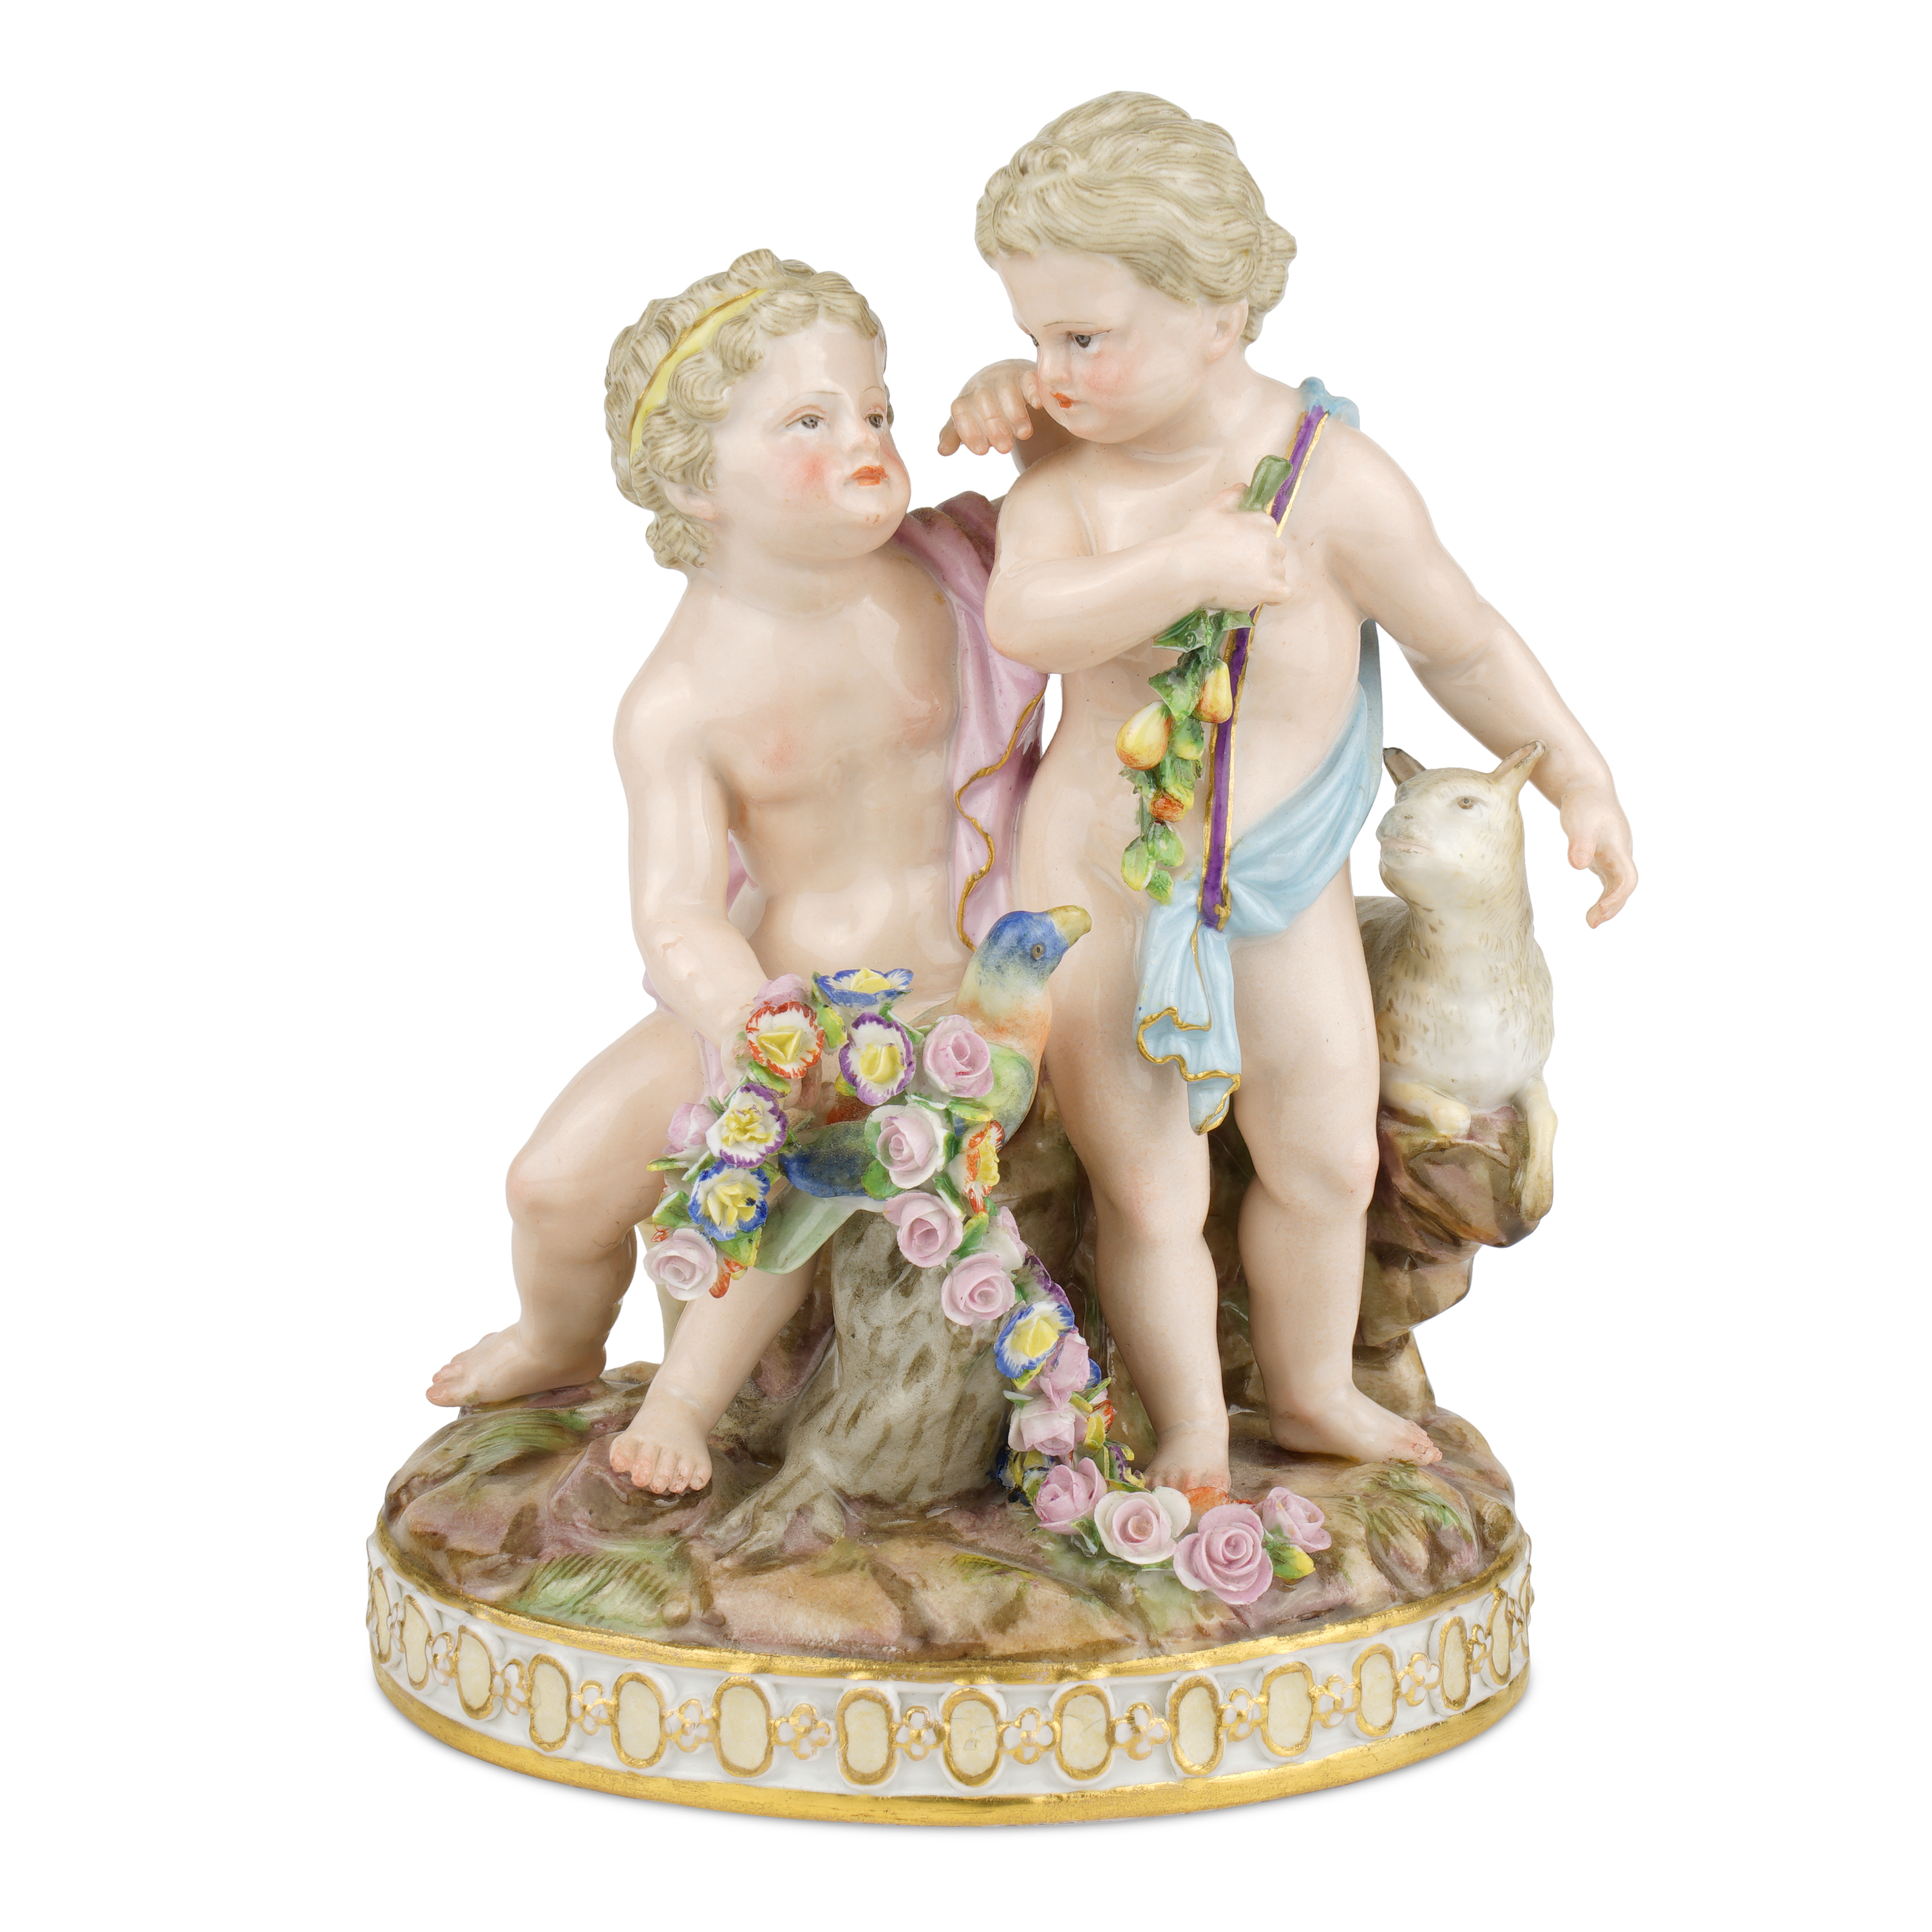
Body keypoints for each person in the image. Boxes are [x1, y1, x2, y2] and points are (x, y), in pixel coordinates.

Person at [940, 94, 1636, 1492]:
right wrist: (1184, 568)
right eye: (1034, 339)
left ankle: (1312, 1388)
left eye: (1085, 338)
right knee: (1148, 1182)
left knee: (1324, 1157)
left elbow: (1461, 642)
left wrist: (1577, 770)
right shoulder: (1070, 485)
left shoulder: (1334, 484)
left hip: (1282, 879)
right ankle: (1193, 1425)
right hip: (1102, 875)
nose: (1052, 372)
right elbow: (1028, 619)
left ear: (1220, 312)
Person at [429, 251, 1044, 1496]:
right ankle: (557, 1342)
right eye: (810, 422)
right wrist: (749, 1016)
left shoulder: (958, 566)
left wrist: (1017, 403)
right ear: (694, 482)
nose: (866, 440)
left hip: (958, 983)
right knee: (550, 1186)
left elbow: (1094, 504)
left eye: (875, 409)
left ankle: (686, 1405)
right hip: (773, 997)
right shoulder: (679, 698)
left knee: (794, 1175)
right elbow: (673, 911)